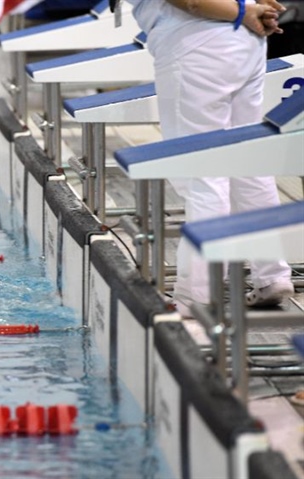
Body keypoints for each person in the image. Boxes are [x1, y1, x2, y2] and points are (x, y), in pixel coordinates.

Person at [125, 0, 295, 317]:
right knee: (249, 164)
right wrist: (253, 10)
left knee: (202, 172)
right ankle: (272, 274)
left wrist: (244, 11)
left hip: (199, 44)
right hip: (246, 43)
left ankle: (196, 294)